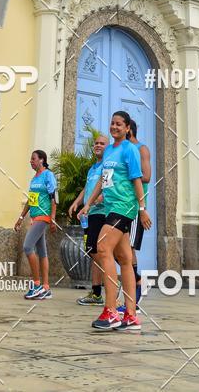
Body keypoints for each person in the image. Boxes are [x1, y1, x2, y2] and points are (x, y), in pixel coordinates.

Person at [79, 110, 151, 332]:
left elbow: (137, 180)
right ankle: (131, 316)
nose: (114, 127)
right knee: (125, 259)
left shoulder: (130, 150)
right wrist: (88, 203)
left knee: (102, 247)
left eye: (119, 124)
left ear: (127, 128)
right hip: (110, 207)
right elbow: (103, 181)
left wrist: (142, 209)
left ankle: (111, 311)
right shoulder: (110, 150)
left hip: (124, 206)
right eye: (112, 123)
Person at [69, 134, 109, 306]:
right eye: (96, 143)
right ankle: (96, 294)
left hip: (101, 213)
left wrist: (92, 203)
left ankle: (112, 279)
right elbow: (87, 189)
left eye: (102, 143)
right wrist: (77, 202)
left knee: (94, 249)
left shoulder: (107, 165)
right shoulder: (93, 168)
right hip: (89, 214)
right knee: (93, 252)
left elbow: (106, 189)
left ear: (108, 147)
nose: (98, 145)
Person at [116, 118, 151, 315]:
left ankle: (135, 293)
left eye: (120, 125)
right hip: (120, 205)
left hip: (135, 205)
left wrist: (128, 173)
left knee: (129, 249)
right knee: (119, 249)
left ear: (128, 130)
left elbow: (146, 176)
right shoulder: (121, 149)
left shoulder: (141, 149)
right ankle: (136, 282)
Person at [14, 149, 57, 300]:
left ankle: (37, 284)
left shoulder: (48, 175)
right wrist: (21, 217)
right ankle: (46, 288)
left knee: (27, 247)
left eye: (33, 159)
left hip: (43, 216)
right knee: (42, 252)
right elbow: (30, 200)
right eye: (31, 159)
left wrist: (53, 218)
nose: (31, 161)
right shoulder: (34, 179)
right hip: (35, 216)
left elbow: (53, 197)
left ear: (42, 160)